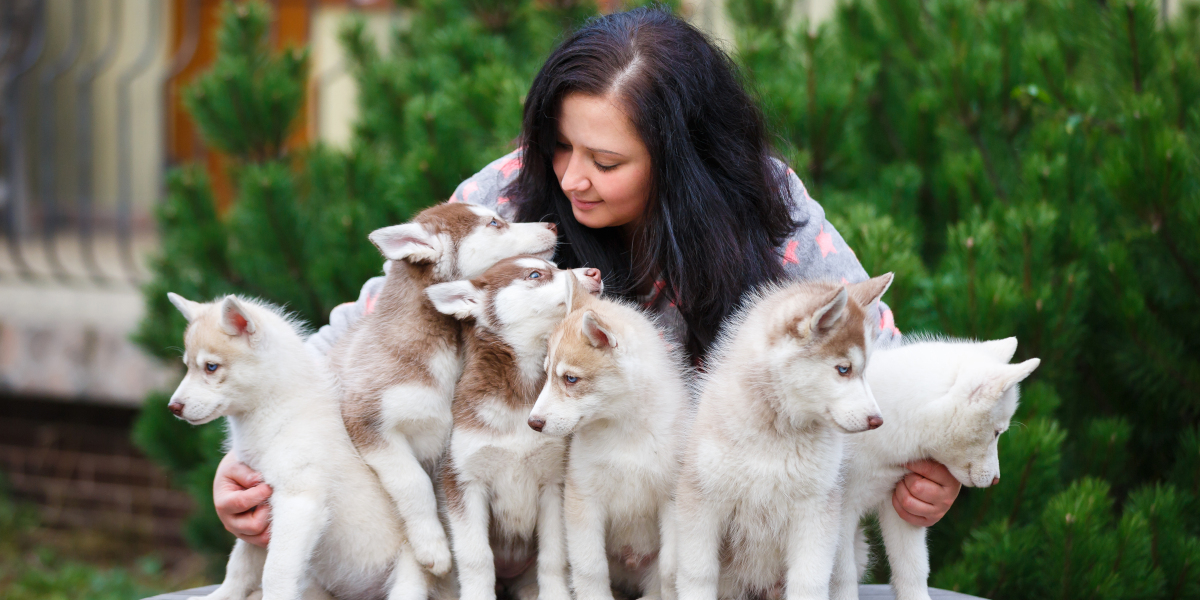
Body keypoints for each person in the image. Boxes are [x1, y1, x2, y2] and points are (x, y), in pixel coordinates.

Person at [213, 6, 960, 550]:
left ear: (686, 164)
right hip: (519, 560)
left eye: (606, 162)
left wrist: (933, 468)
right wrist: (245, 465)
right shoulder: (504, 198)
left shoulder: (770, 208)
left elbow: (881, 367)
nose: (571, 179)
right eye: (558, 144)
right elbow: (363, 338)